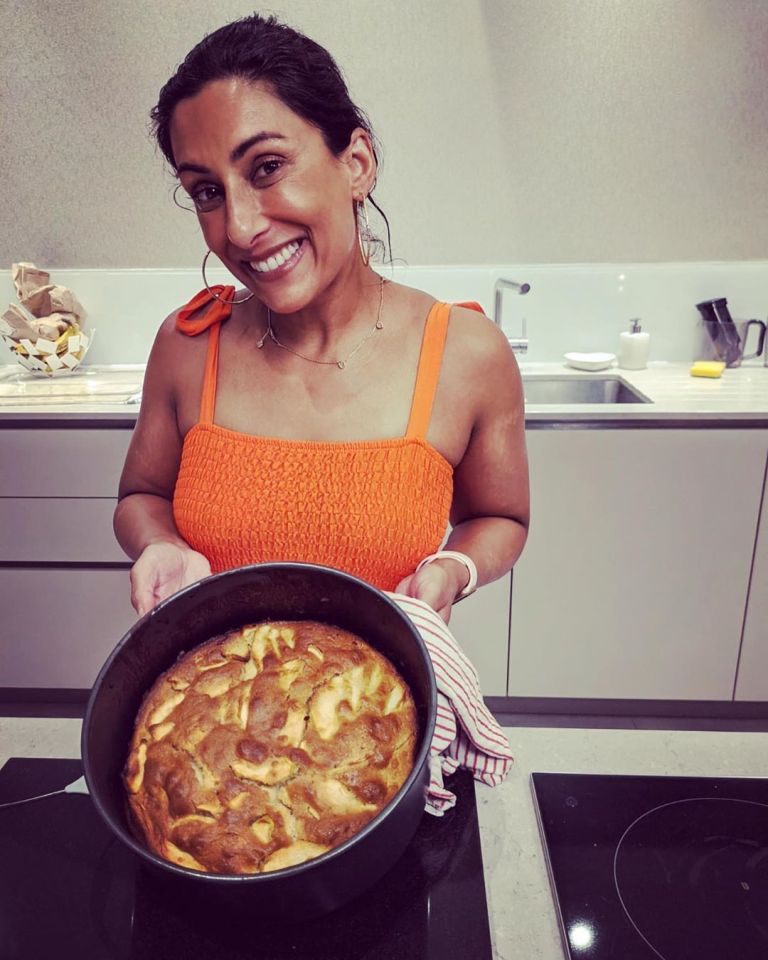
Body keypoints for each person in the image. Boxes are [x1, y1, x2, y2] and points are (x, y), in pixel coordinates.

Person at [114, 13, 529, 625]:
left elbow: (502, 517)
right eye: (207, 192)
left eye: (267, 167)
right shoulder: (186, 345)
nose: (239, 228)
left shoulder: (466, 354)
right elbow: (141, 496)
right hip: (215, 705)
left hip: (378, 708)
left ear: (356, 163)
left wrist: (454, 569)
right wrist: (162, 544)